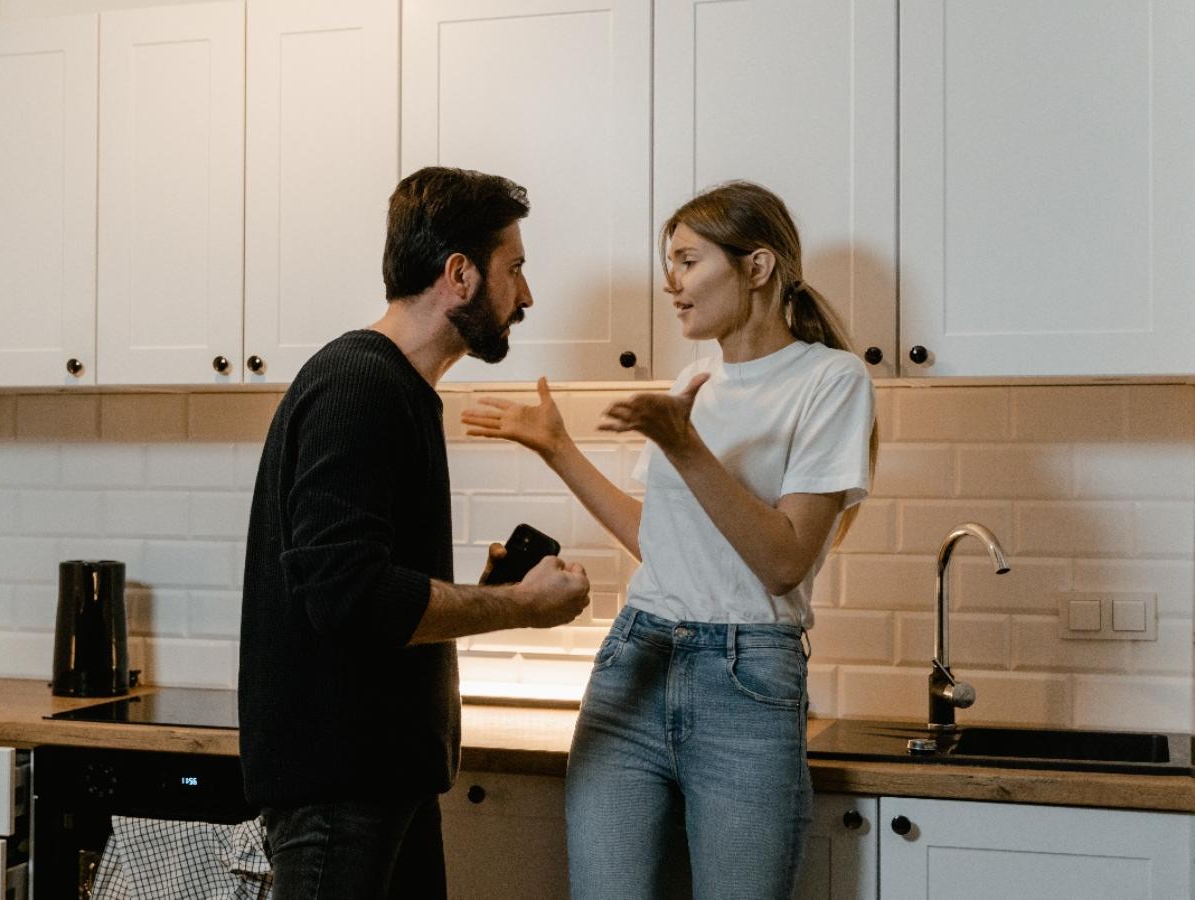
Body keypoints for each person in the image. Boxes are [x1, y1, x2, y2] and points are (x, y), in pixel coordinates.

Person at [462, 181, 876, 899]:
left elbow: (783, 561)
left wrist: (684, 446)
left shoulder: (831, 382)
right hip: (635, 659)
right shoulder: (695, 379)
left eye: (687, 261)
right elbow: (661, 542)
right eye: (670, 264)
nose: (670, 283)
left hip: (746, 683)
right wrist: (557, 447)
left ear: (757, 268)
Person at [239, 166, 593, 900]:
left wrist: (484, 596)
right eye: (515, 268)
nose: (525, 295)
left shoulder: (394, 389)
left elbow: (362, 591)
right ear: (460, 274)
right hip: (342, 792)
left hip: (376, 785)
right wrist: (522, 607)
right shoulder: (360, 387)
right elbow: (348, 597)